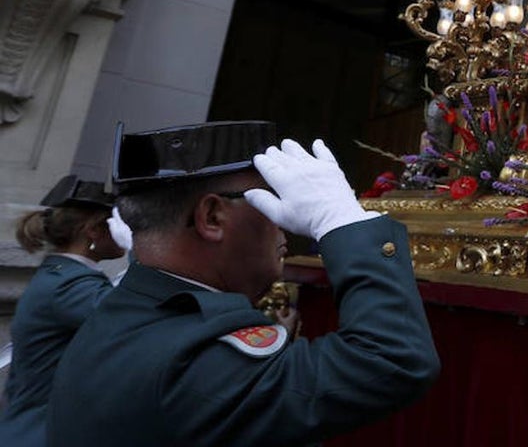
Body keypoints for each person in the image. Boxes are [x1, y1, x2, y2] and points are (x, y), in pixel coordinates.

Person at [47, 121, 440, 446]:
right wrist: (340, 220)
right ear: (213, 217)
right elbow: (393, 359)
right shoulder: (197, 363)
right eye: (271, 197)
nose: (286, 222)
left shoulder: (125, 312)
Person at [0, 175, 125, 446]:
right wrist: (146, 250)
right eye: (119, 222)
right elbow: (134, 315)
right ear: (94, 230)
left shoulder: (62, 276)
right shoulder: (70, 286)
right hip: (42, 434)